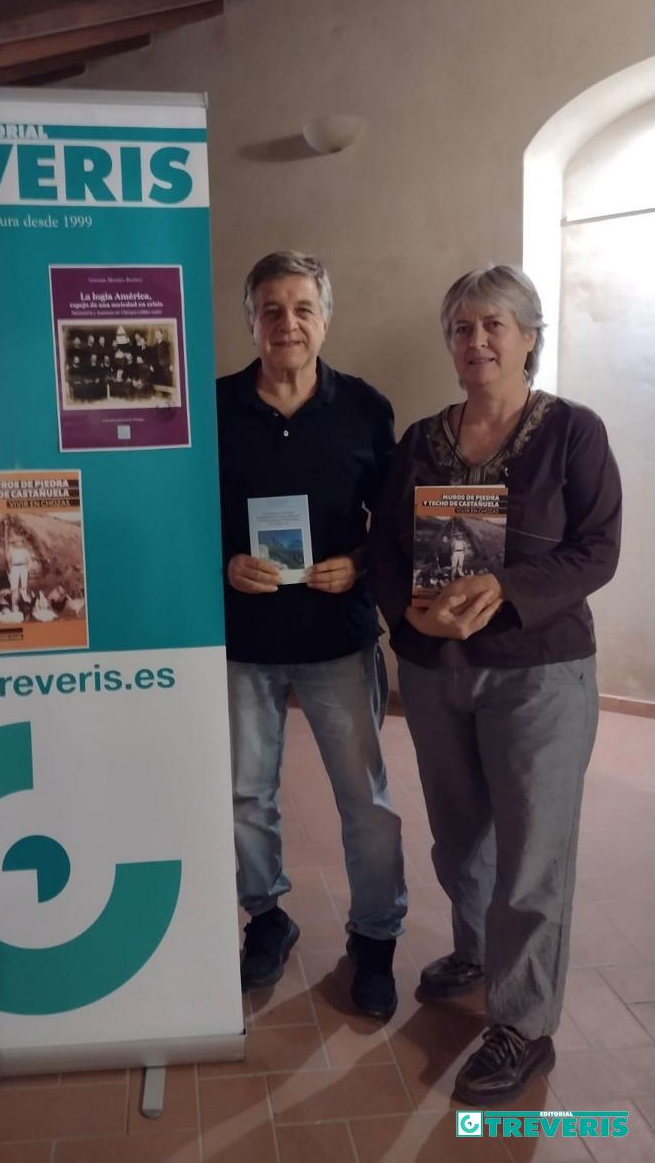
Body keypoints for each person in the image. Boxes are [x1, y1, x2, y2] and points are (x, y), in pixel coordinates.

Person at [369, 264, 621, 1104]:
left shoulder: (572, 433)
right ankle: (478, 950)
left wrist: (506, 590)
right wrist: (409, 616)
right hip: (438, 670)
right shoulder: (420, 439)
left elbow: (598, 549)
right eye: (461, 328)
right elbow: (386, 550)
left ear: (528, 338)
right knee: (459, 832)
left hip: (538, 675)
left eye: (494, 326)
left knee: (532, 852)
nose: (476, 342)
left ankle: (521, 1024)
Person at [217, 250, 407, 1018]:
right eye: (270, 308)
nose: (286, 323)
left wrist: (358, 562)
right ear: (251, 320)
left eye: (302, 308)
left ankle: (374, 939)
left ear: (325, 317)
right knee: (243, 795)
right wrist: (223, 562)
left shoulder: (365, 408)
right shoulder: (215, 406)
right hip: (242, 639)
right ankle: (267, 919)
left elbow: (392, 527)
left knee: (364, 799)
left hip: (336, 635)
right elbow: (182, 514)